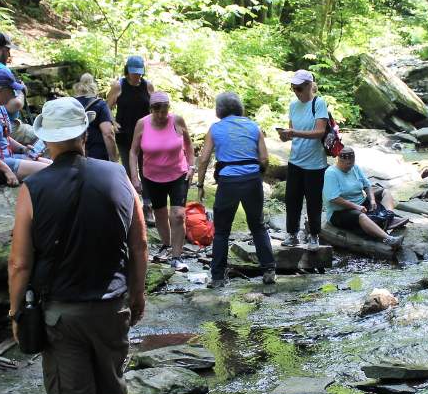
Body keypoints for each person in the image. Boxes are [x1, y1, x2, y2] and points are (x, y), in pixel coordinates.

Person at [8, 97, 147, 394]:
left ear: (47, 140)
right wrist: (138, 295)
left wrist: (16, 314)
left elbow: (19, 262)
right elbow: (139, 243)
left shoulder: (34, 189)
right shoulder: (118, 176)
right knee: (113, 384)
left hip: (61, 313)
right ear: (84, 135)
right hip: (112, 304)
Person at [196, 92, 276, 289]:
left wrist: (199, 185)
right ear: (240, 107)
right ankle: (269, 270)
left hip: (228, 182)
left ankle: (217, 277)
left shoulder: (215, 129)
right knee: (258, 226)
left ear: (219, 109)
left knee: (222, 230)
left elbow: (204, 158)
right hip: (251, 180)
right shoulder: (253, 126)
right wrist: (257, 174)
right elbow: (264, 159)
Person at [129, 91, 195, 272]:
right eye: (156, 111)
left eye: (164, 111)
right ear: (151, 109)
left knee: (178, 215)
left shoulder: (177, 121)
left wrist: (192, 167)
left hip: (178, 173)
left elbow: (189, 145)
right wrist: (135, 177)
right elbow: (134, 152)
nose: (160, 115)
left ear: (168, 109)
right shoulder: (142, 124)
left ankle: (177, 256)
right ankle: (166, 244)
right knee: (159, 214)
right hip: (152, 176)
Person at [278, 69, 328, 250]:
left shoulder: (319, 103)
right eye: (293, 88)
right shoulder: (293, 106)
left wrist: (294, 133)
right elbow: (292, 132)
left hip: (315, 163)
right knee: (292, 199)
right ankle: (292, 234)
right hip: (295, 160)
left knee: (314, 201)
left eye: (299, 88)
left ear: (309, 86)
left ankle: (314, 236)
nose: (296, 92)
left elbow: (320, 132)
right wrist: (286, 136)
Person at [323, 147, 406, 248]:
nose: (350, 166)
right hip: (339, 211)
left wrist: (372, 200)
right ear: (340, 160)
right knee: (361, 216)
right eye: (348, 164)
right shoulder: (331, 173)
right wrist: (355, 207)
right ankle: (389, 239)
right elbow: (333, 198)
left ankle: (388, 217)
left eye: (352, 163)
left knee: (385, 192)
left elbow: (367, 185)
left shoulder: (355, 168)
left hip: (361, 202)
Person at [107, 55, 155, 223]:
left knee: (146, 169)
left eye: (139, 73)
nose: (137, 76)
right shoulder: (118, 86)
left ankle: (148, 206)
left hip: (144, 134)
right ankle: (130, 205)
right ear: (127, 70)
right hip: (125, 135)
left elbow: (155, 108)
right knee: (128, 170)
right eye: (134, 73)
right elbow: (106, 108)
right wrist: (112, 122)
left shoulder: (147, 86)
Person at [0, 32, 36, 146]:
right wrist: (21, 91)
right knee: (44, 139)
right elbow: (13, 105)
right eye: (7, 50)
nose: (9, 54)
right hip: (2, 126)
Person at [73, 73, 118, 162]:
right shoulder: (100, 104)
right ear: (94, 86)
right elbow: (108, 133)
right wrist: (114, 159)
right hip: (97, 156)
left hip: (75, 156)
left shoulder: (71, 104)